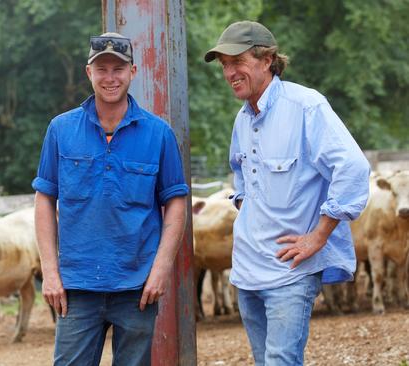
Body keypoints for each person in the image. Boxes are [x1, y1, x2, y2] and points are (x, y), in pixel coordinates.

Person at [204, 21, 370, 365]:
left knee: (281, 360)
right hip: (247, 269)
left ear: (267, 60)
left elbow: (353, 168)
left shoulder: (306, 107)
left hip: (290, 271)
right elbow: (241, 177)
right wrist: (246, 207)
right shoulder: (242, 119)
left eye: (238, 61)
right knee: (265, 360)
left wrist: (319, 236)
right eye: (224, 65)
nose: (230, 72)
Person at [32, 32, 189, 365]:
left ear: (133, 72)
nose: (110, 77)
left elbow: (175, 203)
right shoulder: (61, 130)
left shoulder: (158, 133)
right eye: (101, 69)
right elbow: (44, 199)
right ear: (88, 73)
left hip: (137, 286)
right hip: (77, 287)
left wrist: (161, 269)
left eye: (118, 68)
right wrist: (50, 272)